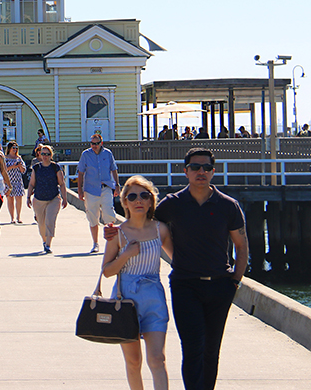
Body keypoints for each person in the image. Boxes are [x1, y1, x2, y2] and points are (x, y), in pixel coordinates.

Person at [105, 147, 249, 390]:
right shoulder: (173, 204)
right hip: (185, 286)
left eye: (206, 167)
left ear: (214, 171)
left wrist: (234, 280)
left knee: (211, 348)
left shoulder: (228, 205)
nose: (200, 171)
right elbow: (142, 220)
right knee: (192, 346)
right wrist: (114, 232)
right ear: (186, 171)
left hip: (219, 286)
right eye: (195, 167)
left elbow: (241, 245)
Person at [102, 175, 173, 390]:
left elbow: (179, 260)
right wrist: (126, 255)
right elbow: (107, 271)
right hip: (126, 300)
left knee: (157, 359)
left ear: (151, 200)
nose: (138, 200)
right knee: (133, 362)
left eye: (144, 195)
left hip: (154, 299)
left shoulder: (160, 229)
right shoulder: (118, 234)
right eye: (132, 196)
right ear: (124, 203)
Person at [77, 134, 120, 253]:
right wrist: (80, 190)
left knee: (109, 214)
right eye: (92, 143)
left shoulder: (108, 153)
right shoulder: (86, 154)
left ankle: (111, 243)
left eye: (96, 143)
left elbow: (114, 169)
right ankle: (95, 243)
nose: (94, 146)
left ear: (101, 143)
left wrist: (117, 185)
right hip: (90, 190)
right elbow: (80, 172)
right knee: (93, 217)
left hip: (106, 187)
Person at [26, 144, 67, 253]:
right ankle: (44, 241)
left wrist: (65, 198)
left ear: (51, 155)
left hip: (53, 198)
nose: (45, 156)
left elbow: (62, 184)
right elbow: (31, 184)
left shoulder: (55, 167)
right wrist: (28, 196)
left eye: (47, 154)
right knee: (41, 223)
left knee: (50, 221)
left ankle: (48, 244)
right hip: (39, 199)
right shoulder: (36, 168)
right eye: (43, 154)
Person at [4, 141, 26, 223]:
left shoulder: (19, 158)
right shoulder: (5, 158)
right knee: (10, 199)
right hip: (8, 181)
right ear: (9, 148)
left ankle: (18, 217)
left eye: (16, 148)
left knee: (19, 198)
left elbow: (23, 170)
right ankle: (12, 218)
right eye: (13, 148)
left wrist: (19, 166)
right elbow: (3, 170)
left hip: (18, 180)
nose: (15, 149)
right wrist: (12, 166)